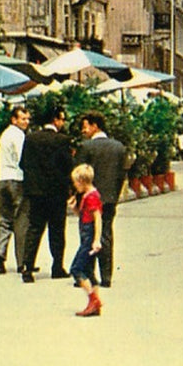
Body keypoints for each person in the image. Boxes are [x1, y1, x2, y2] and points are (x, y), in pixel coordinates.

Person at [19, 108, 75, 281]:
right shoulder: (62, 140)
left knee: (34, 228)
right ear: (55, 120)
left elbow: (22, 163)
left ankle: (27, 267)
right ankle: (57, 266)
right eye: (62, 119)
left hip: (35, 192)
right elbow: (68, 165)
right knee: (57, 230)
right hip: (56, 192)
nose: (63, 123)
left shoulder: (30, 138)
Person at [75, 112, 126, 289]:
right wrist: (114, 195)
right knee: (106, 234)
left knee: (88, 236)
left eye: (85, 126)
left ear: (95, 126)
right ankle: (106, 276)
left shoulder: (86, 147)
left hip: (90, 198)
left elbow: (79, 174)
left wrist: (77, 197)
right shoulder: (118, 147)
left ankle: (88, 275)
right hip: (110, 198)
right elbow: (121, 175)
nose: (83, 131)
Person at [0, 106, 30, 276]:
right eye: (23, 119)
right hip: (17, 178)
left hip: (3, 178)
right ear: (14, 119)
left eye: (27, 119)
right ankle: (22, 261)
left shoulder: (5, 134)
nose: (26, 122)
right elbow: (22, 158)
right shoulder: (19, 136)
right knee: (21, 221)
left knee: (5, 219)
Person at [69, 163, 104, 317]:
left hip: (89, 237)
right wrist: (75, 209)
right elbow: (84, 216)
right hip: (86, 233)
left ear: (82, 181)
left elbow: (97, 219)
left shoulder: (92, 197)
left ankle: (93, 299)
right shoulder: (87, 196)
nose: (75, 186)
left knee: (76, 269)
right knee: (89, 270)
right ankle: (95, 302)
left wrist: (96, 240)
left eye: (76, 183)